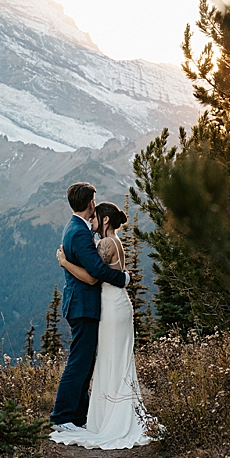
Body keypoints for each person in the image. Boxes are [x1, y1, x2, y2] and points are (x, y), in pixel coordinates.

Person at [49, 199, 153, 449]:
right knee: (104, 359)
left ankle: (81, 416)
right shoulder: (108, 241)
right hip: (107, 304)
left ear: (104, 220)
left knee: (106, 360)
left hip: (111, 305)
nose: (92, 221)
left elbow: (94, 275)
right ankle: (90, 415)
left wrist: (64, 263)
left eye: (95, 217)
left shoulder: (107, 243)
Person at [49, 183, 131, 432]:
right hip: (82, 305)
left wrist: (64, 262)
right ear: (91, 204)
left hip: (83, 304)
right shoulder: (80, 233)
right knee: (79, 362)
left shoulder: (76, 228)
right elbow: (95, 272)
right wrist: (123, 278)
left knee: (84, 362)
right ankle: (62, 416)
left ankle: (78, 416)